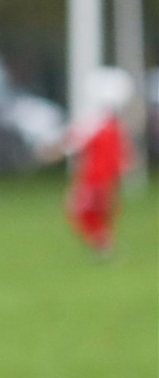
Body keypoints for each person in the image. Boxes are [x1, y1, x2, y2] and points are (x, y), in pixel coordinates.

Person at [48, 66, 133, 259]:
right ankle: (101, 244)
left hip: (95, 177)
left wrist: (53, 152)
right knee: (96, 211)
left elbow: (73, 142)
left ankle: (101, 244)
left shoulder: (100, 125)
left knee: (82, 210)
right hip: (102, 176)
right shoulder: (110, 125)